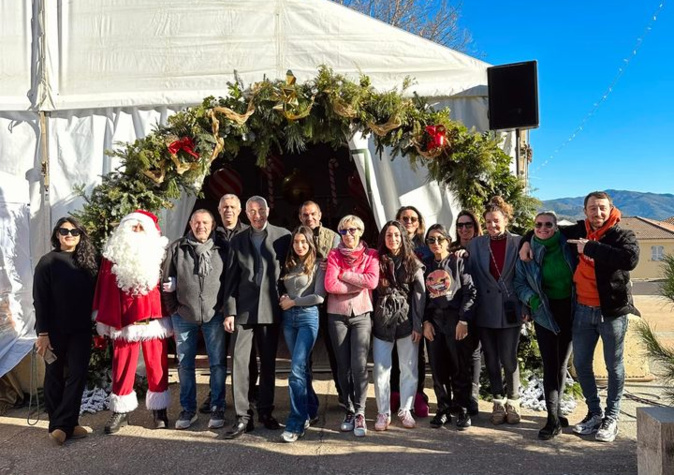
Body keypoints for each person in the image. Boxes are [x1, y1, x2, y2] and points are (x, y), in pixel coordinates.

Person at [520, 191, 639, 442]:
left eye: (602, 208)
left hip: (612, 312)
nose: (598, 213)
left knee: (613, 366)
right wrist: (525, 241)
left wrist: (592, 247)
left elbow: (630, 259)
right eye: (592, 208)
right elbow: (544, 229)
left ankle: (612, 417)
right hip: (582, 310)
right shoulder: (575, 231)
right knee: (582, 365)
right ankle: (594, 413)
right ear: (585, 211)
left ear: (611, 209)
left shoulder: (621, 235)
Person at [94, 210, 172, 434]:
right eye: (132, 227)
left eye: (140, 227)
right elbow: (105, 289)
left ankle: (159, 410)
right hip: (125, 321)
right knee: (122, 367)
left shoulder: (160, 254)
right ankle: (121, 411)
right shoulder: (112, 257)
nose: (136, 231)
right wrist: (107, 320)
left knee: (157, 366)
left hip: (154, 319)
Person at [222, 196, 291, 439]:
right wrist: (229, 310)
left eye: (261, 210)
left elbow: (291, 270)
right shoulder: (238, 241)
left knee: (269, 364)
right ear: (246, 214)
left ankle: (265, 411)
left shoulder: (284, 237)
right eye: (252, 211)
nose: (257, 215)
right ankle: (242, 416)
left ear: (268, 211)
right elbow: (229, 279)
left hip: (271, 310)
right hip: (244, 310)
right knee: (240, 364)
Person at [33, 217, 99, 445]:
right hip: (52, 331)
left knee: (78, 375)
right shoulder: (47, 262)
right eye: (64, 231)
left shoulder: (89, 262)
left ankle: (67, 423)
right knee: (54, 376)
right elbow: (39, 300)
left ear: (81, 235)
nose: (69, 234)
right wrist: (42, 334)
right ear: (57, 235)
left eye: (74, 231)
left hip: (80, 330)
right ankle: (58, 425)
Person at [162, 209, 228, 430]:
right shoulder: (177, 248)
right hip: (184, 316)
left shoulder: (222, 248)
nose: (201, 226)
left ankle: (218, 407)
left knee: (217, 363)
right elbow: (166, 281)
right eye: (197, 222)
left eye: (206, 222)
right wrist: (174, 309)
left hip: (214, 315)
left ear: (213, 224)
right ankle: (188, 410)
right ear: (190, 223)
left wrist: (225, 309)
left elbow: (230, 280)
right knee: (185, 364)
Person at [514, 211, 576, 440]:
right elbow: (518, 282)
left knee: (561, 364)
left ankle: (557, 410)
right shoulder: (528, 250)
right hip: (544, 312)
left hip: (569, 310)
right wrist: (532, 300)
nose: (543, 228)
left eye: (548, 224)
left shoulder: (567, 244)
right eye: (538, 225)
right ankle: (552, 420)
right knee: (550, 364)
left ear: (556, 226)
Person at [467, 196, 522, 425]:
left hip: (510, 307)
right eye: (488, 221)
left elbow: (525, 276)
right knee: (490, 358)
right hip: (485, 309)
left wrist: (527, 306)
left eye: (496, 221)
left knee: (509, 358)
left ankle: (514, 401)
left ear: (506, 220)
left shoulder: (519, 243)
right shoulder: (475, 244)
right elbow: (468, 272)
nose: (492, 225)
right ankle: (498, 402)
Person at [199, 193, 254, 415]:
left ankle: (250, 394)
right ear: (219, 210)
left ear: (239, 210)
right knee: (217, 354)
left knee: (246, 354)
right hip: (215, 302)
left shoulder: (249, 233)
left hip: (242, 301)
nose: (228, 210)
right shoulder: (210, 234)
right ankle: (216, 394)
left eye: (232, 207)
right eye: (224, 207)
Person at [324, 214, 379, 437]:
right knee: (343, 365)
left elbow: (372, 281)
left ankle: (360, 411)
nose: (349, 234)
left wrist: (345, 275)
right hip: (337, 315)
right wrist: (358, 283)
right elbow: (330, 284)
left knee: (359, 364)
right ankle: (348, 408)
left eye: (353, 230)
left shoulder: (371, 254)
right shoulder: (333, 254)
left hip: (362, 314)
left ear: (361, 231)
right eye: (344, 231)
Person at [423, 224, 477, 430]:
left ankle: (462, 408)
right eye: (431, 240)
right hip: (435, 320)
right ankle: (443, 408)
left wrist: (464, 320)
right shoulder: (425, 265)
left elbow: (470, 291)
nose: (435, 243)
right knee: (438, 367)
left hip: (456, 318)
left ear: (447, 240)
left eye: (439, 239)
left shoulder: (459, 262)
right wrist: (425, 321)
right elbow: (421, 297)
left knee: (459, 365)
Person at [372, 221, 425, 431]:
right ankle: (383, 412)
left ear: (403, 237)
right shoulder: (376, 260)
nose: (392, 239)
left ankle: (406, 409)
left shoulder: (413, 262)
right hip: (382, 319)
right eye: (388, 235)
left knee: (408, 367)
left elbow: (420, 295)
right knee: (381, 369)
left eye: (396, 235)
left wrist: (418, 323)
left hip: (406, 320)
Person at [278, 225, 326, 443]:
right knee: (302, 368)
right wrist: (283, 298)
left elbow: (319, 297)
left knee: (296, 369)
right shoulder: (288, 263)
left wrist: (294, 302)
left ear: (310, 243)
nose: (299, 246)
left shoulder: (318, 265)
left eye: (303, 242)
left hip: (308, 318)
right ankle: (311, 409)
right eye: (296, 242)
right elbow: (282, 288)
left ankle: (296, 422)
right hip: (289, 320)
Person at [298, 200, 343, 409]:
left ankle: (343, 394)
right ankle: (307, 397)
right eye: (306, 215)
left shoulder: (333, 237)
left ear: (320, 214)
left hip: (330, 303)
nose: (310, 218)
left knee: (336, 351)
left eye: (313, 214)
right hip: (305, 302)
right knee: (305, 353)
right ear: (300, 217)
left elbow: (340, 261)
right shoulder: (296, 237)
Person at [393, 205, 431, 417]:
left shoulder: (426, 249)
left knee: (418, 354)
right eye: (404, 218)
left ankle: (417, 394)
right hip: (396, 309)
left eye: (413, 219)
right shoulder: (390, 245)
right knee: (395, 354)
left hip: (420, 305)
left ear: (419, 224)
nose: (408, 222)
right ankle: (396, 393)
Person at [449, 210, 483, 416]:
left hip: (482, 307)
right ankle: (459, 396)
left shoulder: (483, 246)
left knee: (475, 354)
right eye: (460, 225)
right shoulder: (452, 249)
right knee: (458, 354)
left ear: (476, 226)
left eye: (468, 225)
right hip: (459, 311)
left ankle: (473, 396)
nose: (464, 229)